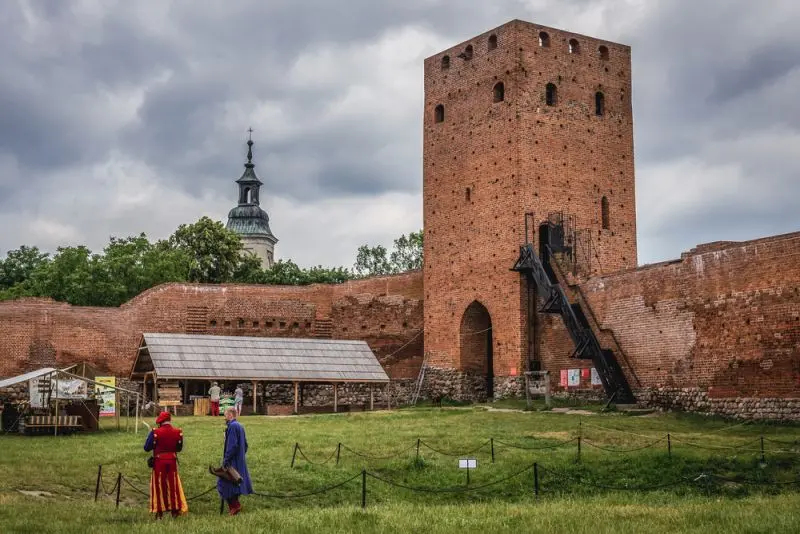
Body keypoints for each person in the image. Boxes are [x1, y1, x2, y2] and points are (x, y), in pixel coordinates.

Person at [143, 411, 188, 519]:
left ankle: (159, 511)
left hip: (159, 462)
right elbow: (179, 449)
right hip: (172, 461)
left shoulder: (155, 432)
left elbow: (146, 448)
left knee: (159, 485)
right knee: (173, 486)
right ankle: (175, 510)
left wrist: (151, 436)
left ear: (160, 422)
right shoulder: (178, 432)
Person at [217, 406, 253, 515]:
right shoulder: (240, 426)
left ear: (231, 415)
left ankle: (235, 506)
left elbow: (232, 446)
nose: (224, 417)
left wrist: (226, 461)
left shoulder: (232, 426)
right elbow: (245, 445)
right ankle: (234, 506)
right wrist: (240, 455)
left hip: (232, 462)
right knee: (235, 483)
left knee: (224, 482)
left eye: (225, 414)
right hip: (239, 460)